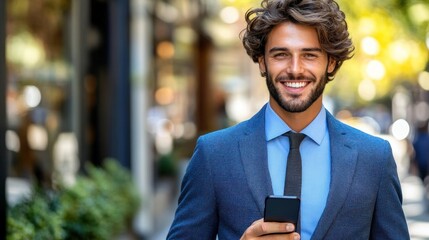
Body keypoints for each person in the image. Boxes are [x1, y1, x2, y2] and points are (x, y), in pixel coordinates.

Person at [167, 0, 410, 239]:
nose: (295, 69)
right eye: (281, 54)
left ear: (331, 62)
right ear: (262, 61)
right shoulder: (214, 154)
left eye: (310, 55)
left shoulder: (375, 159)